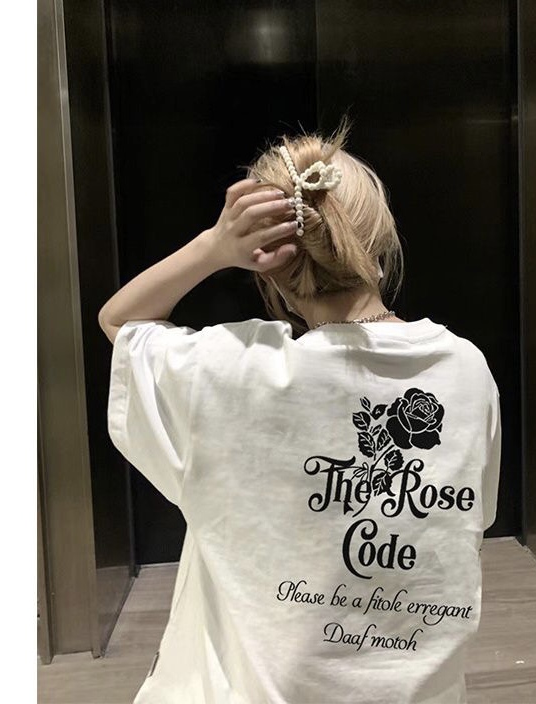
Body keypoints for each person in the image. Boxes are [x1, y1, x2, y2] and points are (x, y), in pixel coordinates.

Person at [99, 116, 502, 704]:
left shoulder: (233, 369)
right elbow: (472, 520)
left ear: (268, 264)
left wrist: (214, 247)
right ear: (379, 245)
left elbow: (120, 322)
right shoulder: (465, 368)